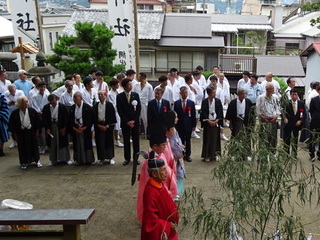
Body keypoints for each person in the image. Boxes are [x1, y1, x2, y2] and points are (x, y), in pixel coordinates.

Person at [137, 128, 178, 224]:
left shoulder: (160, 154)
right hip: (158, 191)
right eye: (163, 145)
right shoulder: (150, 162)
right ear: (155, 146)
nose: (165, 147)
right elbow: (152, 182)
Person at [141, 157, 179, 240]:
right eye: (163, 170)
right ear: (154, 174)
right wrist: (168, 225)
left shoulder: (159, 184)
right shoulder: (150, 192)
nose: (166, 173)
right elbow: (150, 220)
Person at [9, 96, 42, 169]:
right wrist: (15, 135)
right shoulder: (15, 113)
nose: (26, 104)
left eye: (27, 102)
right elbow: (12, 125)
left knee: (34, 146)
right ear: (20, 104)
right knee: (22, 147)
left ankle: (37, 160)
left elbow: (37, 123)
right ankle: (24, 162)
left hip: (32, 132)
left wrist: (37, 132)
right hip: (21, 133)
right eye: (24, 102)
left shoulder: (32, 111)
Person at [116, 78, 141, 166]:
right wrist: (127, 121)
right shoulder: (119, 96)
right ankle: (127, 158)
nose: (131, 86)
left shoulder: (136, 95)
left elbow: (138, 109)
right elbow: (120, 110)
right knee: (126, 140)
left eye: (131, 85)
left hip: (135, 121)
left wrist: (134, 120)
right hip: (125, 122)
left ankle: (136, 158)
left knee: (136, 140)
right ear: (124, 86)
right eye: (129, 85)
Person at [42, 94, 71, 166]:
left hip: (61, 126)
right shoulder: (46, 108)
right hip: (51, 126)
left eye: (54, 102)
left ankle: (66, 159)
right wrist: (47, 128)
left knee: (63, 143)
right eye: (51, 103)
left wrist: (65, 128)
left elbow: (66, 118)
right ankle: (53, 160)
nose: (53, 104)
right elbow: (44, 119)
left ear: (57, 99)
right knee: (52, 143)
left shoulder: (62, 107)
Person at [226, 88, 253, 160]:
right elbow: (230, 114)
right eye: (242, 94)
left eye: (244, 94)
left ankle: (247, 154)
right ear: (238, 94)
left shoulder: (248, 102)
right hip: (236, 121)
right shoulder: (233, 102)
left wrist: (251, 124)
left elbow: (251, 114)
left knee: (246, 137)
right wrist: (230, 124)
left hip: (245, 121)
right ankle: (233, 154)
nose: (244, 95)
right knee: (235, 137)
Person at [69, 92, 95, 165]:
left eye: (76, 97)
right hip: (76, 128)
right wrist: (74, 128)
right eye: (73, 98)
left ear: (81, 98)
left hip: (85, 129)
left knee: (86, 144)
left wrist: (85, 127)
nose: (74, 99)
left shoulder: (87, 107)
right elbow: (70, 120)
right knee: (77, 144)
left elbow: (90, 119)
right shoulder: (72, 108)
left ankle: (88, 159)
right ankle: (78, 159)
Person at [92, 90, 117, 165]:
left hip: (107, 126)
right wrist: (98, 125)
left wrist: (107, 126)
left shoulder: (109, 105)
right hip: (99, 126)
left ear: (105, 95)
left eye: (102, 95)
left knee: (109, 142)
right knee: (100, 142)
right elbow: (94, 118)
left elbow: (112, 117)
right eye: (99, 95)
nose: (100, 96)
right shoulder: (95, 106)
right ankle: (101, 158)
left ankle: (110, 158)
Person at [256, 83, 280, 154]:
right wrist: (261, 116)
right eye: (272, 89)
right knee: (263, 136)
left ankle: (273, 152)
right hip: (264, 119)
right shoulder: (261, 97)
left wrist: (276, 116)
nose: (273, 90)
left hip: (273, 119)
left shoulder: (275, 97)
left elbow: (278, 108)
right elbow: (257, 109)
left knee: (273, 137)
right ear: (267, 90)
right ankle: (263, 152)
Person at [174, 86, 196, 162]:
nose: (184, 94)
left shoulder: (191, 103)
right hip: (180, 125)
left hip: (188, 125)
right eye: (183, 93)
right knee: (181, 141)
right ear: (180, 93)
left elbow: (193, 115)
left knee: (188, 140)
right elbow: (175, 115)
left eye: (186, 92)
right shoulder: (177, 103)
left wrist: (194, 125)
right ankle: (181, 154)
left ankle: (188, 155)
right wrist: (175, 125)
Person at [200, 87, 223, 161]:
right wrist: (208, 121)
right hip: (208, 122)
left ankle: (216, 155)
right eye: (213, 93)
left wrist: (216, 121)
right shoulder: (204, 102)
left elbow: (220, 111)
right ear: (208, 94)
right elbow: (203, 112)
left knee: (216, 139)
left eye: (215, 92)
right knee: (207, 139)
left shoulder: (218, 101)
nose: (214, 94)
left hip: (215, 121)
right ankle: (207, 155)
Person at [283, 88, 305, 159]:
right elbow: (283, 113)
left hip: (296, 124)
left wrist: (300, 120)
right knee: (287, 140)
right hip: (288, 124)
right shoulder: (287, 103)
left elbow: (302, 113)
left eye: (295, 94)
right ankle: (286, 154)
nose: (294, 96)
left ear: (297, 95)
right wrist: (285, 118)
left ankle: (294, 154)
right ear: (290, 95)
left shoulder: (301, 103)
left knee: (295, 140)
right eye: (293, 95)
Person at [4, 84, 25, 149]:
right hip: (10, 112)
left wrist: (14, 102)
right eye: (10, 91)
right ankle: (14, 141)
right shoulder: (6, 93)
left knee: (21, 125)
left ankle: (21, 141)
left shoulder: (20, 92)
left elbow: (22, 100)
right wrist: (13, 102)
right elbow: (6, 102)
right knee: (13, 127)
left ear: (15, 89)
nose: (12, 92)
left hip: (19, 111)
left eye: (13, 90)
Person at [108, 78, 124, 147]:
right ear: (113, 85)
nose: (118, 85)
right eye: (117, 84)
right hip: (114, 112)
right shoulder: (110, 94)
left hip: (119, 111)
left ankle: (116, 139)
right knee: (115, 126)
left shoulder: (118, 92)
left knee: (118, 126)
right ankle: (116, 140)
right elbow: (112, 104)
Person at [308, 87, 320, 162]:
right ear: (318, 91)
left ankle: (319, 154)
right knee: (313, 138)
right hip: (315, 121)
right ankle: (312, 154)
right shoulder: (314, 99)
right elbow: (311, 110)